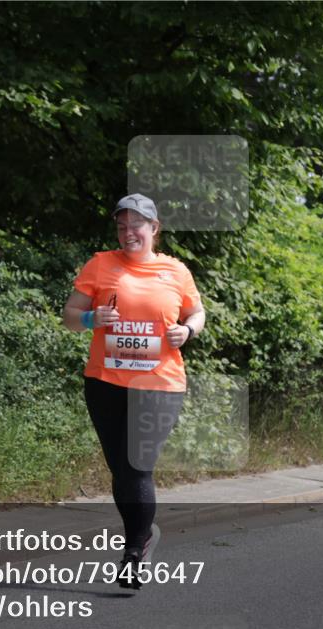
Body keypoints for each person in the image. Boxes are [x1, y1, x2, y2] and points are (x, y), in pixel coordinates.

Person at [62, 193, 206, 589]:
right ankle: (143, 535)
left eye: (136, 226)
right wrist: (92, 317)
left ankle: (133, 552)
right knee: (122, 470)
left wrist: (187, 330)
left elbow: (197, 311)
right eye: (122, 226)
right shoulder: (100, 265)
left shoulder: (175, 271)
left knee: (137, 464)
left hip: (159, 384)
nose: (129, 233)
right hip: (105, 384)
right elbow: (69, 317)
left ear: (154, 229)